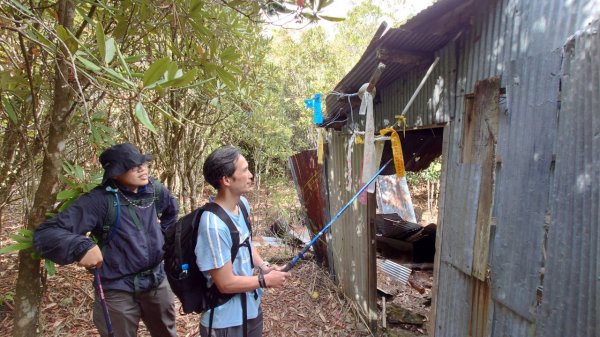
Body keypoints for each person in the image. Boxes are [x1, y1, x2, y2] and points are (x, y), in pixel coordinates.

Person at [33, 143, 179, 337]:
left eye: (143, 163)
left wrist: (164, 238)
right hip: (117, 289)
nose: (142, 169)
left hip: (156, 281)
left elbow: (171, 209)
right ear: (116, 173)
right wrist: (81, 246)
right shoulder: (99, 201)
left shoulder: (154, 190)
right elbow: (45, 234)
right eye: (133, 166)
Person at [196, 145, 290, 337]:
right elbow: (225, 283)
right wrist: (264, 280)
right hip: (224, 321)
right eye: (245, 170)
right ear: (227, 180)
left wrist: (264, 266)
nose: (251, 175)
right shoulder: (213, 225)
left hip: (250, 308)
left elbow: (245, 244)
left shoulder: (242, 205)